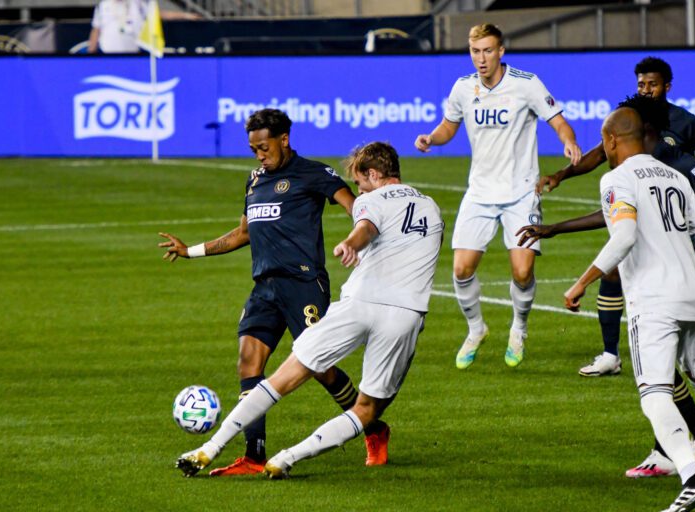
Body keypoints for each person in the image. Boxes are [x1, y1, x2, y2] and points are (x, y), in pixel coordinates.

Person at [175, 141, 444, 479]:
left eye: (360, 182)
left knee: (282, 377)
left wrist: (351, 243)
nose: (358, 190)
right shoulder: (431, 206)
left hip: (359, 303)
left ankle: (209, 448)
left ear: (374, 174)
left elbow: (366, 228)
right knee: (366, 410)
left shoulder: (371, 201)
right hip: (404, 314)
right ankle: (286, 458)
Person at [159, 109, 390, 476]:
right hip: (264, 286)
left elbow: (356, 206)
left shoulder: (314, 173)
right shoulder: (254, 180)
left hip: (303, 286)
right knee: (249, 363)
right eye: (253, 149)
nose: (260, 156)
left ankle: (373, 427)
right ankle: (253, 456)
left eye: (264, 147)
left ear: (284, 139)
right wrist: (192, 251)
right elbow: (244, 233)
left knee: (321, 369)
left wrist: (361, 241)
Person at [517, 95, 695, 479]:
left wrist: (582, 281)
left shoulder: (622, 176)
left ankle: (689, 475)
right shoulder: (674, 176)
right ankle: (694, 443)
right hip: (692, 292)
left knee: (654, 392)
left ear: (613, 140)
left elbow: (624, 233)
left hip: (655, 298)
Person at [538, 57, 695, 377]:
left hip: (680, 219)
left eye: (652, 84)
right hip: (642, 217)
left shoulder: (685, 126)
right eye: (641, 84)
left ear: (667, 86)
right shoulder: (629, 122)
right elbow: (598, 156)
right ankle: (611, 354)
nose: (645, 90)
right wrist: (561, 175)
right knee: (613, 270)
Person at [414, 23, 581, 369]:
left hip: (521, 192)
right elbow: (449, 126)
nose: (481, 58)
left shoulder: (526, 84)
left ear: (501, 51)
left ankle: (519, 328)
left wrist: (568, 140)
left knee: (522, 272)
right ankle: (477, 329)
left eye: (488, 50)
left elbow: (558, 120)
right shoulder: (463, 87)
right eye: (475, 51)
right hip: (479, 192)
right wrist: (432, 138)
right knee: (461, 269)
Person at [88, 0, 199, 54]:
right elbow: (96, 29)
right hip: (109, 55)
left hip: (132, 54)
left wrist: (185, 15)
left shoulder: (137, 3)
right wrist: (91, 53)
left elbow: (157, 14)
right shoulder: (103, 5)